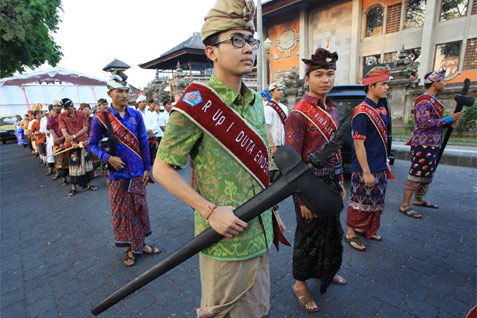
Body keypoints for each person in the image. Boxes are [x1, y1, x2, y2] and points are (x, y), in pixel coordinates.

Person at [153, 0, 287, 316]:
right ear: (211, 51)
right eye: (236, 40)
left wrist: (272, 210)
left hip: (260, 234)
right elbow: (161, 169)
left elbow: (256, 168)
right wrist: (209, 210)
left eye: (250, 40)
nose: (248, 49)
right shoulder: (195, 104)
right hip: (224, 241)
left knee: (258, 310)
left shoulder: (256, 102)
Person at [285, 48, 347, 312]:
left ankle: (326, 270)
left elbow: (337, 147)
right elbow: (291, 163)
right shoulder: (298, 114)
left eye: (330, 74)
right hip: (308, 187)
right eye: (319, 74)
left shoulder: (333, 109)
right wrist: (302, 199)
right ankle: (299, 283)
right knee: (308, 236)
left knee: (332, 231)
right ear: (307, 79)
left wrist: (341, 179)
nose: (326, 79)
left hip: (331, 182)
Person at [88, 72, 160, 267]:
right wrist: (108, 158)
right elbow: (91, 144)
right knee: (123, 212)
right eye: (119, 91)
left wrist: (147, 167)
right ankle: (130, 248)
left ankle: (141, 244)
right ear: (110, 93)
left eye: (127, 91)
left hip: (137, 172)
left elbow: (144, 141)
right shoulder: (101, 118)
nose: (124, 95)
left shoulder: (136, 115)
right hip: (117, 175)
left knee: (139, 209)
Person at [398, 68, 463, 218]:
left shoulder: (432, 100)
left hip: (432, 143)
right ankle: (405, 205)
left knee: (427, 172)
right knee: (416, 173)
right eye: (442, 81)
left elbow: (435, 122)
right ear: (435, 83)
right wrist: (448, 119)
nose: (444, 84)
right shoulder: (423, 100)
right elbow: (424, 123)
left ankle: (419, 199)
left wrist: (448, 123)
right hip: (423, 143)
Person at [345, 67, 392, 251]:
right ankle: (350, 232)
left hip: (379, 164)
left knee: (377, 201)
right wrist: (366, 171)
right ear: (371, 86)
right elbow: (358, 144)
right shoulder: (361, 112)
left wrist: (385, 161)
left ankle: (368, 230)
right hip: (365, 167)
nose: (387, 87)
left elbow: (382, 140)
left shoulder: (381, 109)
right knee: (359, 202)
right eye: (383, 84)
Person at [58, 98, 97, 197]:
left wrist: (75, 136)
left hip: (83, 141)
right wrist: (71, 141)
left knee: (87, 164)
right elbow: (64, 130)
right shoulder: (61, 116)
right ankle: (73, 188)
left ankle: (90, 184)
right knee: (73, 166)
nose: (66, 110)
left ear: (72, 105)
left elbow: (85, 128)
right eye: (64, 108)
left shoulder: (81, 114)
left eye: (68, 108)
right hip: (71, 144)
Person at [48, 100, 68, 185]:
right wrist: (59, 141)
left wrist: (64, 138)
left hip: (67, 140)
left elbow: (68, 129)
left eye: (58, 106)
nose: (57, 107)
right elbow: (51, 131)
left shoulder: (65, 116)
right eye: (55, 106)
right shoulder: (50, 119)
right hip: (57, 142)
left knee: (69, 160)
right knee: (60, 161)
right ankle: (64, 178)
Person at [136, 96, 159, 166]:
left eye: (145, 102)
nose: (144, 103)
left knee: (152, 153)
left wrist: (151, 130)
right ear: (138, 103)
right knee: (143, 154)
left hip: (151, 135)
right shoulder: (136, 113)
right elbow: (136, 126)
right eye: (142, 102)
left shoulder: (149, 113)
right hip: (142, 137)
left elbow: (154, 123)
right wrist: (145, 133)